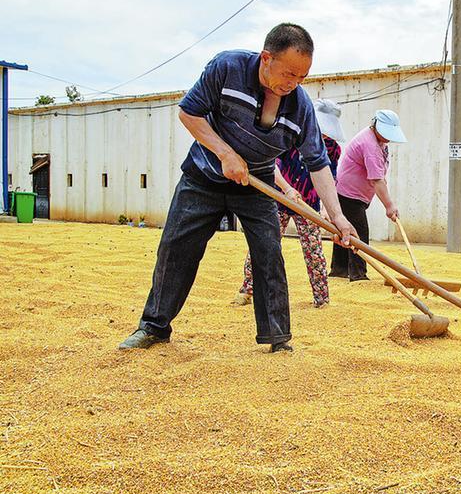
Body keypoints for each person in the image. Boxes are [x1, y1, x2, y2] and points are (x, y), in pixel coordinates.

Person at [118, 23, 355, 353]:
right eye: (288, 74)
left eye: (302, 77)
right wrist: (225, 153)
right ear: (266, 58)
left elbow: (318, 164)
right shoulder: (227, 68)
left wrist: (338, 216)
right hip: (202, 176)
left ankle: (278, 337)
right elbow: (189, 112)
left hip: (256, 186)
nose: (294, 84)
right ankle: (153, 327)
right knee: (176, 248)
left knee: (269, 255)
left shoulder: (300, 106)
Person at [234, 98, 345, 308]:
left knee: (314, 250)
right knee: (264, 244)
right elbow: (272, 166)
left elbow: (330, 177)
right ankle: (247, 290)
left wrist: (326, 209)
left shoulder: (332, 149)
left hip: (308, 204)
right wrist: (287, 188)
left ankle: (322, 299)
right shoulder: (290, 136)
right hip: (279, 198)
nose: (323, 134)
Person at [329, 110, 406, 281]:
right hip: (349, 194)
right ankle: (358, 274)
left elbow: (379, 176)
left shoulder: (379, 142)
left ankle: (339, 270)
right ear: (376, 126)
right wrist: (389, 206)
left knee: (345, 230)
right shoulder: (369, 144)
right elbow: (377, 180)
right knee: (359, 233)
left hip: (354, 194)